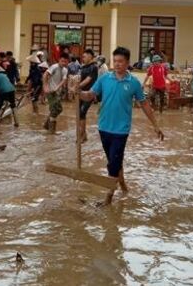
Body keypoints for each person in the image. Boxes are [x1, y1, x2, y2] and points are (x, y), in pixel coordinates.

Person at [79, 46, 164, 206]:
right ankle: (123, 185)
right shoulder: (105, 79)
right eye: (115, 61)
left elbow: (144, 104)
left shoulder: (133, 82)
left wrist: (155, 125)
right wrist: (78, 92)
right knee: (114, 160)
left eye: (120, 61)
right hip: (104, 127)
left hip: (121, 130)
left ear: (127, 62)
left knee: (113, 163)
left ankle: (108, 199)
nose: (117, 64)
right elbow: (90, 95)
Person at [43, 52, 69, 134]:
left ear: (67, 62)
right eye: (62, 61)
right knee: (55, 109)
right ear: (59, 60)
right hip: (50, 91)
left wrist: (58, 88)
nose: (63, 63)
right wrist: (45, 86)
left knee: (58, 109)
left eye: (65, 61)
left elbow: (64, 80)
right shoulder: (54, 67)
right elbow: (45, 75)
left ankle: (47, 124)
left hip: (57, 91)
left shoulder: (65, 70)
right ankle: (51, 131)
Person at [78, 48, 99, 143]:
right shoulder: (83, 67)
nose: (83, 58)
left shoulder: (94, 67)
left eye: (84, 56)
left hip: (90, 93)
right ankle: (83, 134)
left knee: (82, 112)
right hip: (81, 93)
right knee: (80, 114)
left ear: (90, 56)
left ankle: (82, 135)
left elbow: (88, 79)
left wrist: (77, 86)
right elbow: (80, 78)